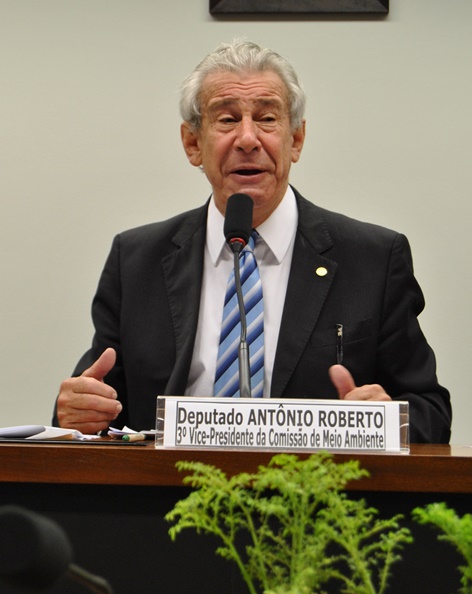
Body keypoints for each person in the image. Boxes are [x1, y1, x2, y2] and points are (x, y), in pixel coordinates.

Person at [54, 40, 451, 443]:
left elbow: (430, 411)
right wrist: (74, 408)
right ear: (193, 143)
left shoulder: (373, 259)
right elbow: (92, 404)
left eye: (266, 119)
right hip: (165, 498)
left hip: (316, 497)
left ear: (295, 139)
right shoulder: (136, 260)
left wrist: (384, 420)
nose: (247, 139)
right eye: (226, 119)